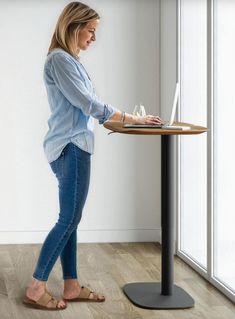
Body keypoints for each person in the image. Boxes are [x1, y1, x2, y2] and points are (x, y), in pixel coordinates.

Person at [23, 1, 163, 311]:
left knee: (71, 219)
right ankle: (36, 286)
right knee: (68, 219)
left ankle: (71, 285)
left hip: (73, 145)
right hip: (71, 147)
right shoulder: (60, 60)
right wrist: (133, 118)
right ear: (74, 26)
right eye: (91, 30)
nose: (94, 38)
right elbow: (89, 103)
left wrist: (125, 119)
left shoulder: (70, 61)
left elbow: (92, 104)